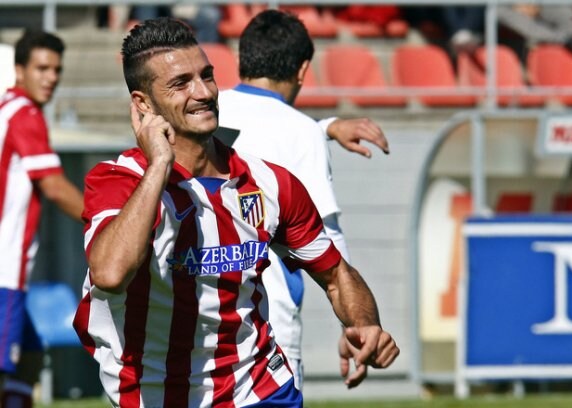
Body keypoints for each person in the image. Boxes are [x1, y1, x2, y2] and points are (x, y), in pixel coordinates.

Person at [73, 17, 399, 407]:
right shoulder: (118, 181)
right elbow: (109, 273)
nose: (203, 92)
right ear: (143, 104)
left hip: (259, 387)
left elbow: (335, 273)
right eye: (181, 83)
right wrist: (159, 163)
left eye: (207, 76)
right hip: (155, 393)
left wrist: (364, 324)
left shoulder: (270, 183)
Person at [217, 9, 390, 390]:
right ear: (303, 69)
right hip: (267, 328)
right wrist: (357, 325)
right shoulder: (298, 132)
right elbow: (327, 240)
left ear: (241, 59)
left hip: (201, 324)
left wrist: (325, 128)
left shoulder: (203, 111)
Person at [0, 30, 84, 407]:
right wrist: (111, 223)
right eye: (42, 68)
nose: (51, 77)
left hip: (11, 275)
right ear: (19, 69)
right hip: (4, 273)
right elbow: (52, 186)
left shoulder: (6, 111)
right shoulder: (26, 114)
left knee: (30, 356)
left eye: (57, 70)